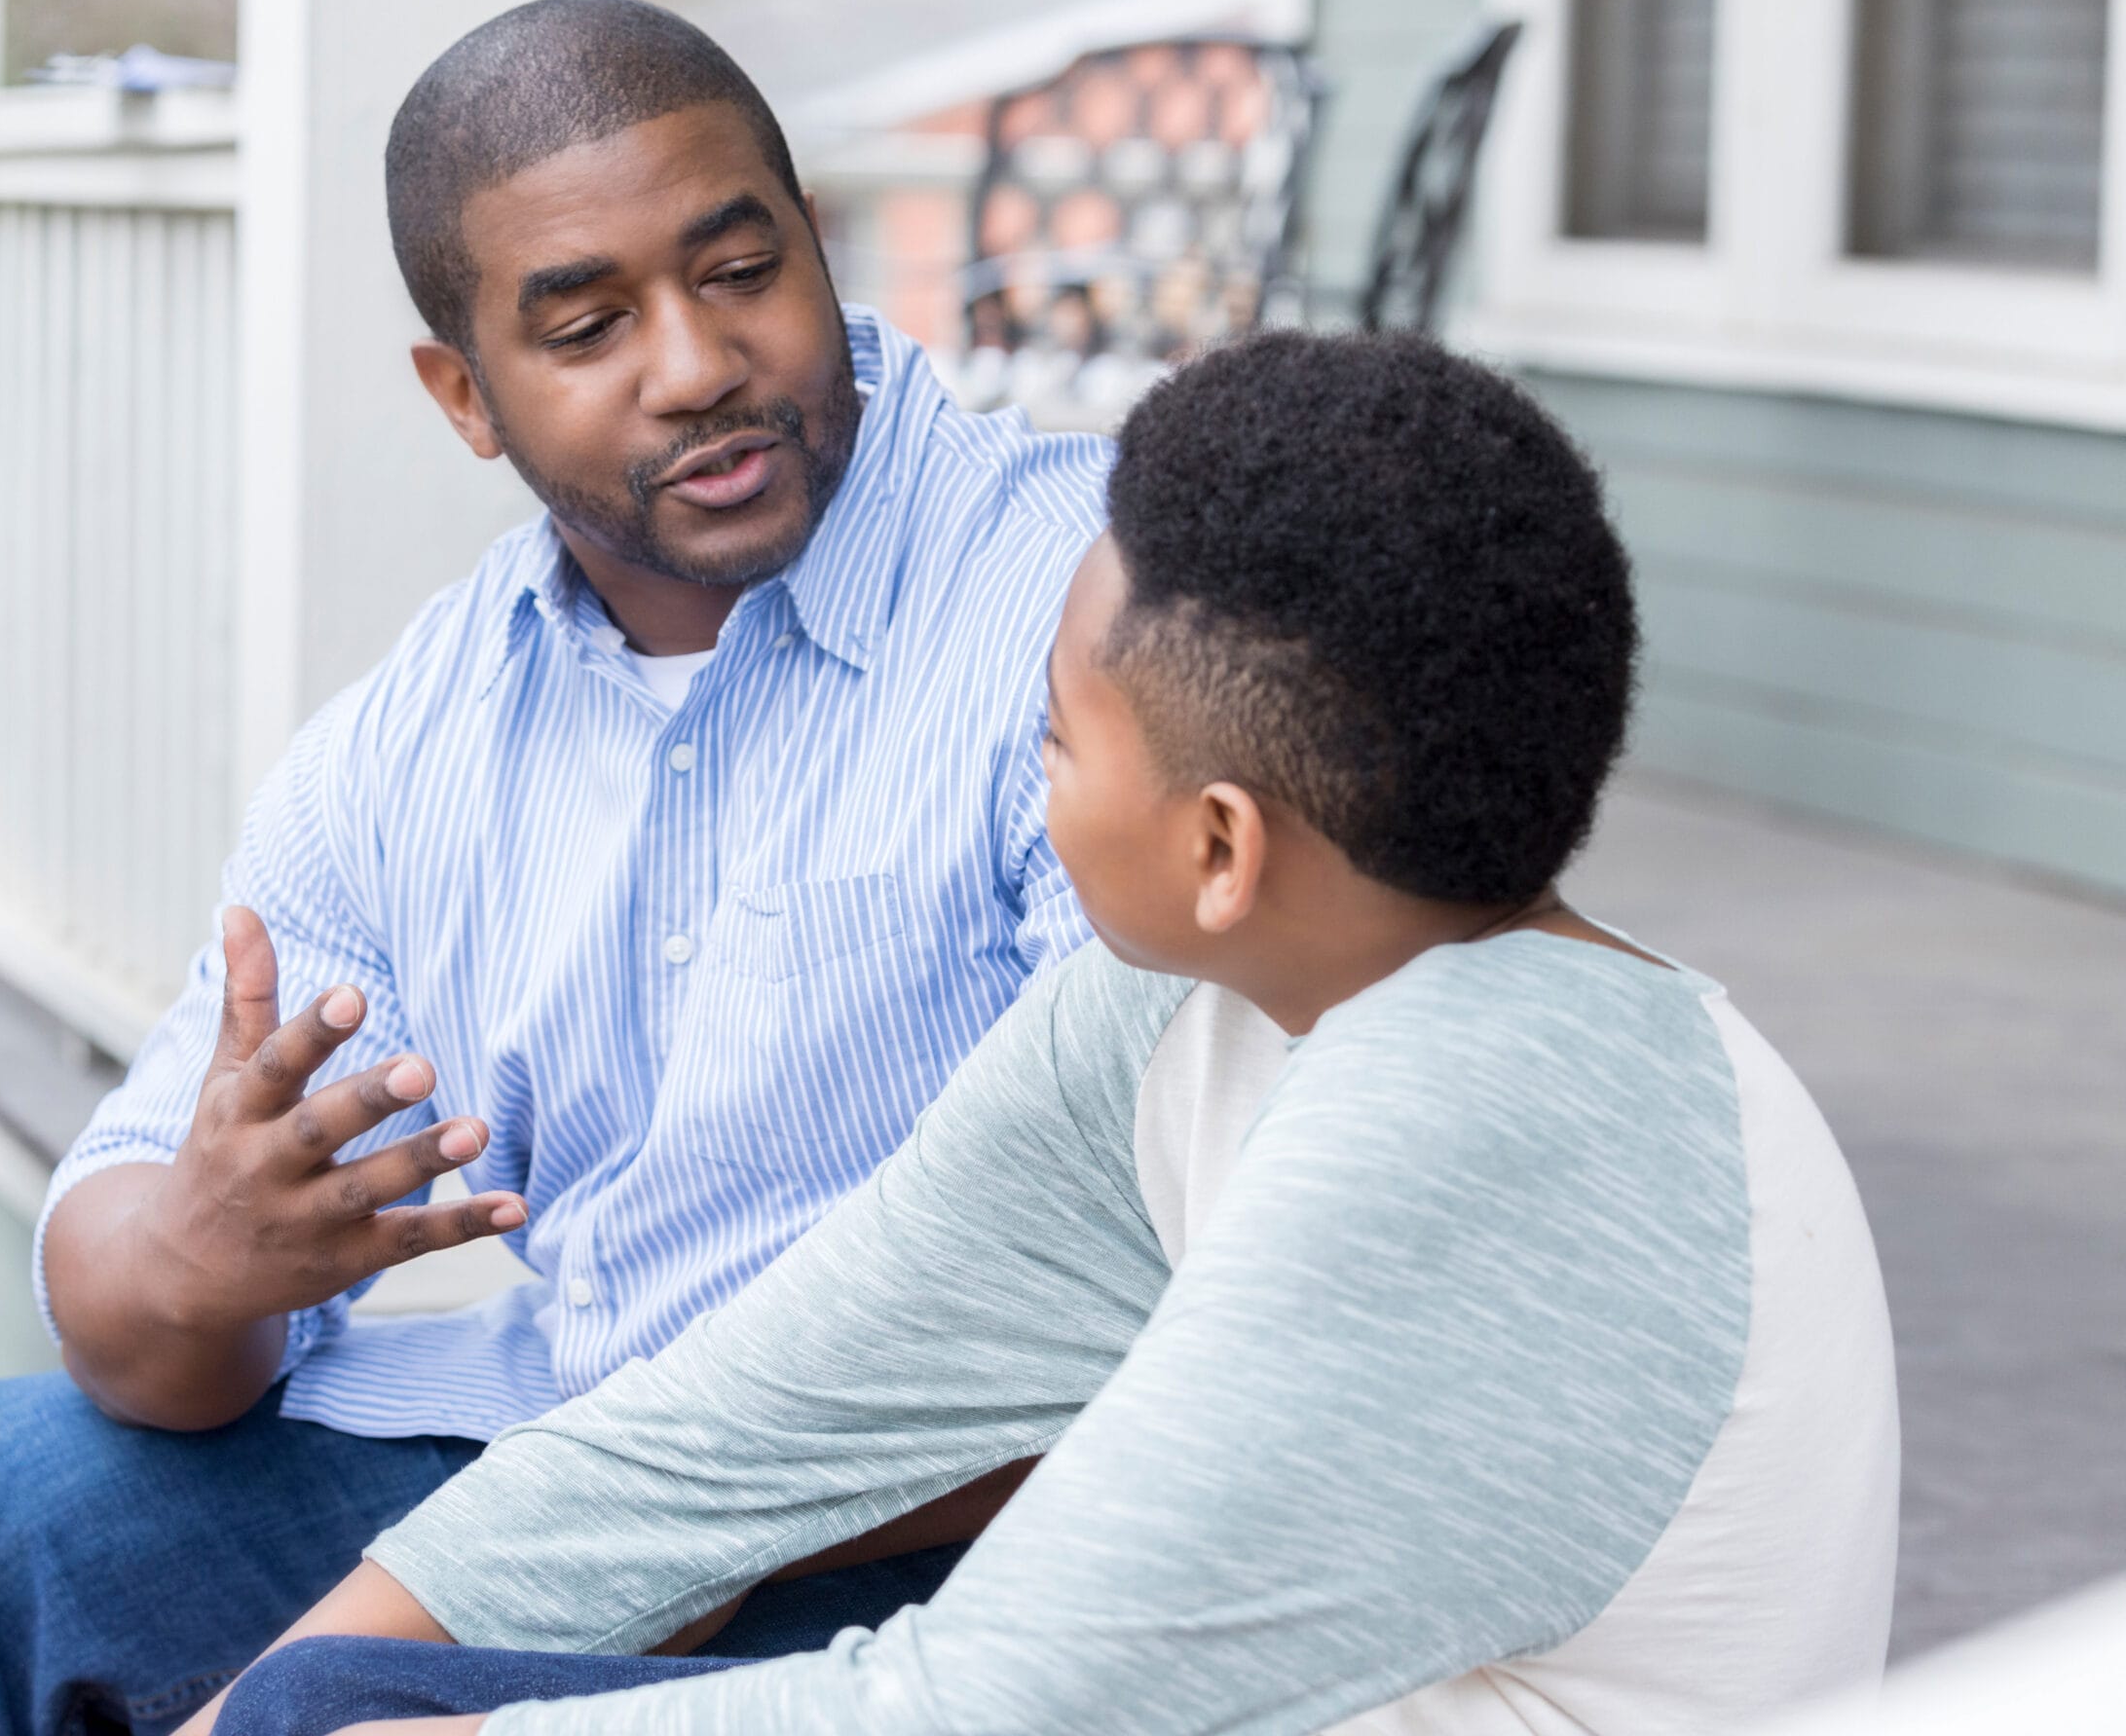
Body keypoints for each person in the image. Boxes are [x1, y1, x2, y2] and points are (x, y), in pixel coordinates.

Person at [205, 334, 1903, 1736]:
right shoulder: (1191, 1003)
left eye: (1054, 733)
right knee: (324, 1696)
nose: (1025, 774)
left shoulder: (1493, 1118)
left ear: (1220, 846)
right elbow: (733, 1428)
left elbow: (982, 1710)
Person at [0, 0, 1126, 1736]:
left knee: (323, 1698)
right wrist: (206, 1254)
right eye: (586, 324)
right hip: (578, 1469)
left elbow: (1123, 1291)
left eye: (741, 271)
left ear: (818, 243)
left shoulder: (1095, 615)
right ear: (465, 395)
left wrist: (435, 1609)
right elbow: (126, 1283)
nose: (696, 363)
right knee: (5, 1489)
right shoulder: (419, 743)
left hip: (970, 1523)